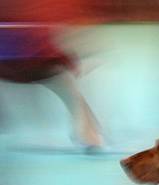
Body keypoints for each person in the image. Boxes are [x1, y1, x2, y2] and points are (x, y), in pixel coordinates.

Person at [0, 0, 103, 149]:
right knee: (73, 97)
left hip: (7, 67)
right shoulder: (46, 7)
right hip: (42, 67)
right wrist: (69, 61)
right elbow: (46, 45)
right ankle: (89, 137)